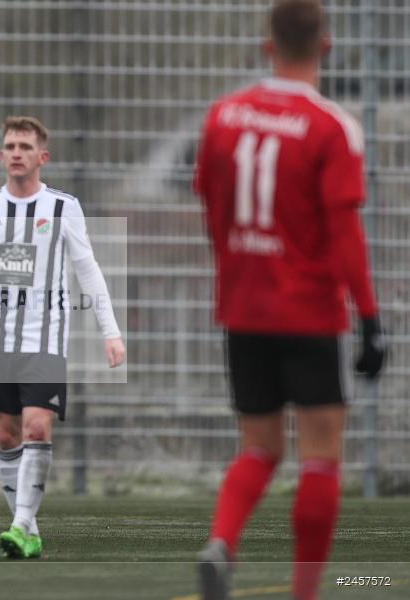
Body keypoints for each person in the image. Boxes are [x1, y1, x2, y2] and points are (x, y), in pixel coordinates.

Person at [192, 2, 386, 599]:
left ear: (266, 45)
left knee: (259, 446)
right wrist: (370, 319)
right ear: (325, 46)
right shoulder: (332, 126)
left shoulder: (223, 117)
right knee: (321, 455)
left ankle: (222, 541)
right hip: (309, 311)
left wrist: (237, 268)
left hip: (245, 307)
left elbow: (211, 203)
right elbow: (345, 234)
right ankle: (305, 592)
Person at [0, 116, 126, 559]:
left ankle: (18, 524)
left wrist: (110, 332)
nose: (16, 152)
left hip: (46, 338)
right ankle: (30, 528)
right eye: (10, 145)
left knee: (37, 425)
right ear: (1, 156)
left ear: (42, 156)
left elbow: (88, 270)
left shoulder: (63, 207)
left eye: (24, 145)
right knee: (5, 434)